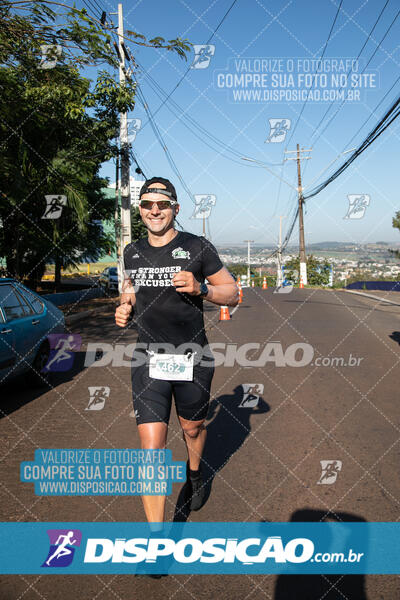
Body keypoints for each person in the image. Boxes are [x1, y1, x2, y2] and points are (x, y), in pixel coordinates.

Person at [115, 176, 238, 527]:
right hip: (148, 358)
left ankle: (195, 473)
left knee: (193, 427)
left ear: (175, 209)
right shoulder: (132, 251)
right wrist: (124, 306)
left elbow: (231, 293)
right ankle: (156, 538)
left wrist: (202, 289)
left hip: (192, 357)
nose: (155, 211)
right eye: (147, 204)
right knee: (150, 451)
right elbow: (130, 287)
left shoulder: (197, 247)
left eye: (162, 204)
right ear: (140, 209)